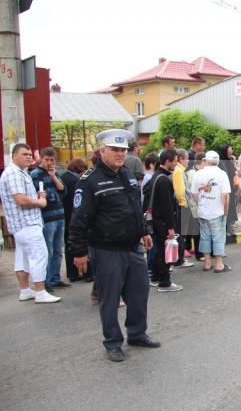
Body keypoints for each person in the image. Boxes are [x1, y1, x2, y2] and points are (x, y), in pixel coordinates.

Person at [69, 129, 159, 362]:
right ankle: (112, 342)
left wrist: (143, 231)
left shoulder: (127, 173)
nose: (120, 154)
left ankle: (137, 333)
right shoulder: (89, 181)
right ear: (102, 151)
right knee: (109, 300)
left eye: (123, 150)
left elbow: (133, 208)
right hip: (106, 250)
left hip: (132, 247)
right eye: (115, 150)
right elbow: (78, 220)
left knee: (139, 294)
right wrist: (79, 252)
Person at [0, 144, 61, 303]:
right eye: (24, 154)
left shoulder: (20, 173)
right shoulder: (14, 173)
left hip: (21, 225)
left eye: (29, 154)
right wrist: (40, 202)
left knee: (23, 259)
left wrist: (38, 195)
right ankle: (41, 292)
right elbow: (21, 200)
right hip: (26, 223)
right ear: (14, 156)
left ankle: (25, 290)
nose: (28, 156)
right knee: (39, 256)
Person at [143, 149, 184, 293]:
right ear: (167, 161)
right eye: (174, 161)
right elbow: (167, 206)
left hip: (155, 220)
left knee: (158, 250)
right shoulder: (164, 180)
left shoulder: (155, 176)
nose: (176, 164)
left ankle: (156, 277)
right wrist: (171, 227)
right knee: (163, 252)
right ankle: (164, 282)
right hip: (162, 221)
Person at [30, 147, 70, 292]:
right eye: (46, 159)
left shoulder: (55, 172)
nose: (49, 162)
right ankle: (45, 281)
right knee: (48, 249)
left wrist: (53, 176)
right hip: (47, 217)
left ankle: (55, 278)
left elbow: (63, 191)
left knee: (58, 249)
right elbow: (38, 194)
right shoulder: (35, 174)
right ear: (41, 158)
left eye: (52, 160)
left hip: (60, 215)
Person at [190, 151, 231, 272]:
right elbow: (225, 195)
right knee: (218, 236)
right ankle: (219, 264)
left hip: (203, 211)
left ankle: (207, 263)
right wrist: (225, 210)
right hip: (217, 211)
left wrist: (200, 203)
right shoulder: (222, 174)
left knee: (205, 237)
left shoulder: (199, 173)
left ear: (206, 160)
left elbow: (193, 193)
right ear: (217, 161)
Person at [61, 158, 90, 282]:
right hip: (75, 215)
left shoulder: (63, 177)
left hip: (65, 215)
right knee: (82, 242)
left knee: (69, 244)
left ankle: (72, 273)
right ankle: (88, 273)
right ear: (80, 168)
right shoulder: (76, 181)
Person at [172, 149, 195, 267]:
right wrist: (184, 203)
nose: (188, 161)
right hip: (182, 206)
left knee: (182, 234)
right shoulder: (178, 171)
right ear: (181, 159)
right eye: (186, 158)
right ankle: (179, 260)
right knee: (181, 233)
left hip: (184, 205)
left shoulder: (181, 170)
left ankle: (179, 258)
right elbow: (180, 191)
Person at [185, 152, 206, 261]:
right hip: (195, 206)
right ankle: (199, 253)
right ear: (202, 161)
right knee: (197, 230)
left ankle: (202, 252)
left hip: (200, 206)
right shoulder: (193, 173)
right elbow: (194, 191)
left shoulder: (198, 172)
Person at [219, 145, 239, 236]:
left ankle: (230, 227)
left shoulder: (230, 161)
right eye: (230, 149)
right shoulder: (220, 162)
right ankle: (225, 229)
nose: (232, 151)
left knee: (231, 208)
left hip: (231, 187)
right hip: (224, 189)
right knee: (225, 208)